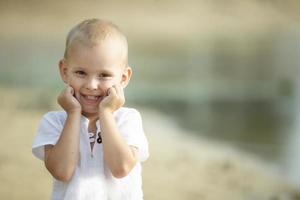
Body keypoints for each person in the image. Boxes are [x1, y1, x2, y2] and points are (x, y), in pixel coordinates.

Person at [32, 18, 149, 200]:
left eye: (104, 75)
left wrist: (106, 113)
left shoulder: (128, 119)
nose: (91, 85)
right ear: (64, 71)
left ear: (124, 78)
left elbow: (121, 168)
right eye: (81, 73)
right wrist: (72, 113)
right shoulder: (54, 122)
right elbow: (61, 172)